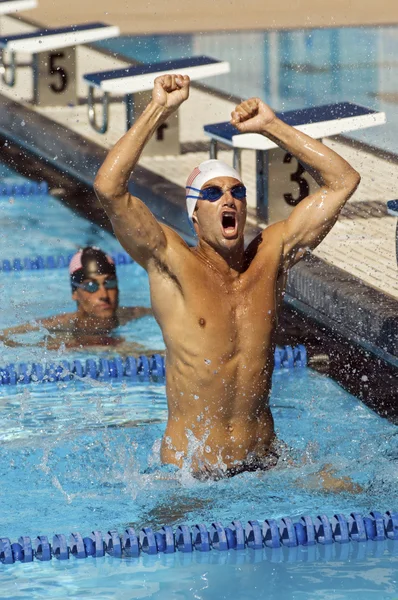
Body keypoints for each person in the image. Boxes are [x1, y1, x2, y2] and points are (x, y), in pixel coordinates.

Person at [94, 74, 361, 482]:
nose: (228, 199)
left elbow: (343, 182)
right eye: (213, 194)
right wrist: (159, 109)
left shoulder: (271, 258)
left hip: (265, 464)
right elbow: (109, 189)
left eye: (236, 191)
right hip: (192, 475)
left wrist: (271, 126)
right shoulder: (170, 262)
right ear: (194, 216)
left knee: (348, 492)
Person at [0, 246, 152, 351]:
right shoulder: (59, 325)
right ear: (75, 293)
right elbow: (4, 336)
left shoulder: (131, 313)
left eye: (109, 283)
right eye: (91, 286)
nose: (104, 295)